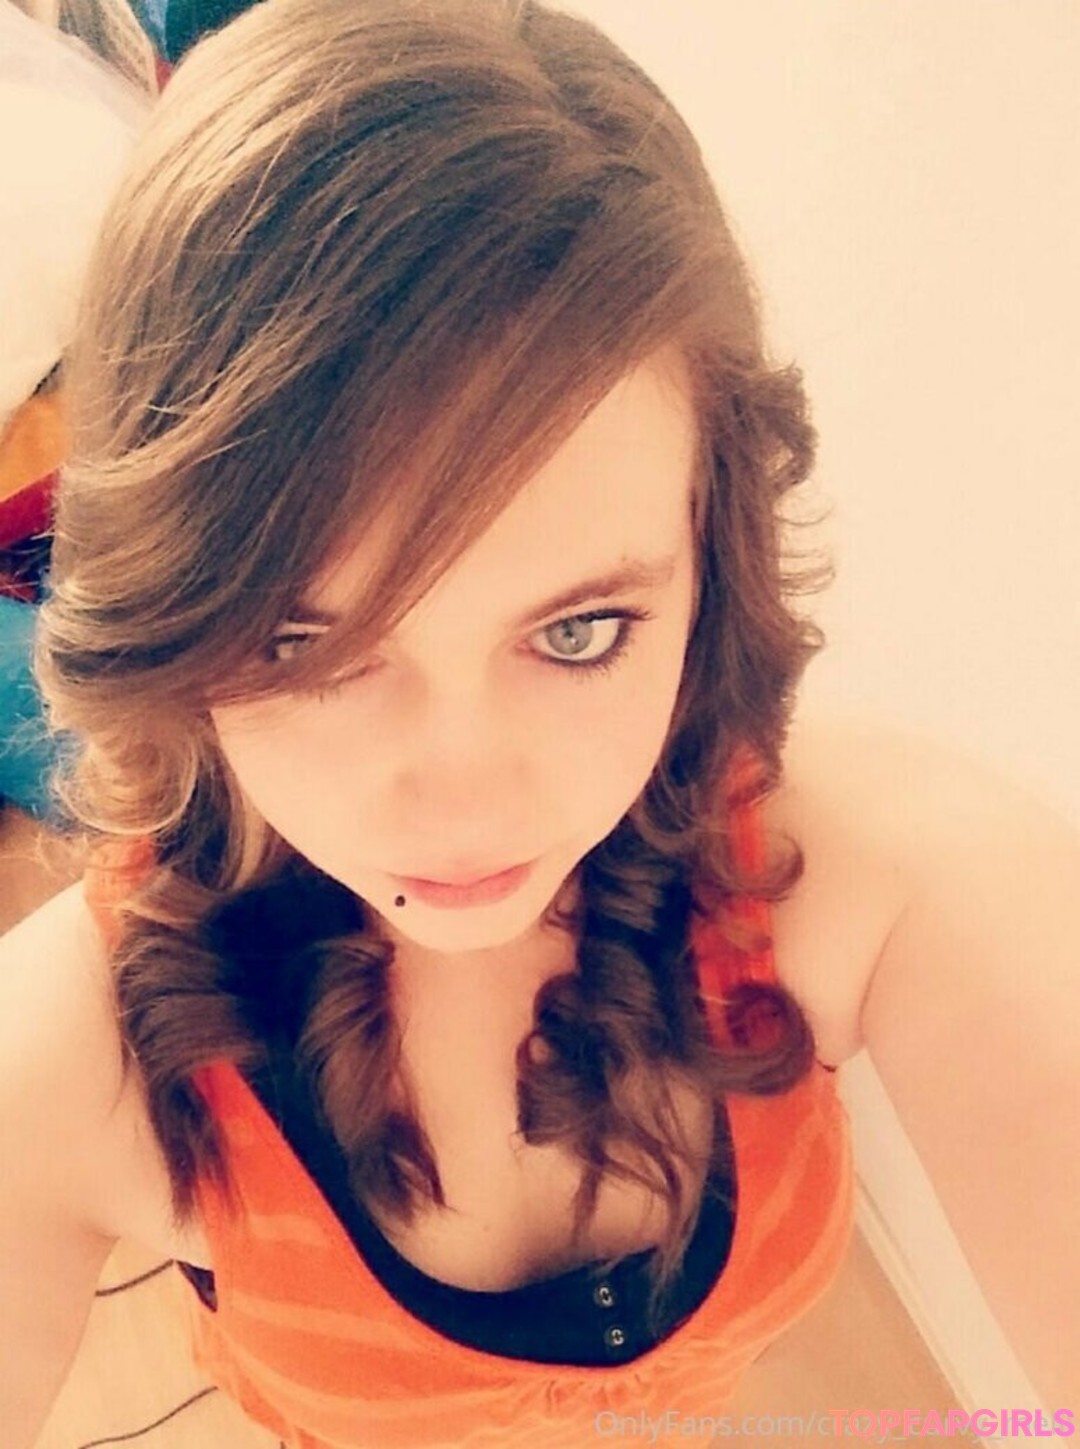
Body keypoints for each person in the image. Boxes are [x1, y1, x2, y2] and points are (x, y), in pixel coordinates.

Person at [2, 1, 1076, 1445]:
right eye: (304, 646)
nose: (462, 804)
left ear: (708, 556)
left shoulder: (864, 875)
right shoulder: (77, 1057)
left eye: (578, 631)